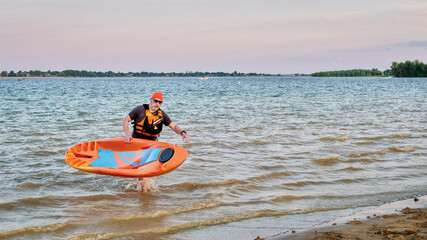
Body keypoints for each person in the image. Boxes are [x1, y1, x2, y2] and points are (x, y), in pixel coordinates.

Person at [122, 92, 189, 192]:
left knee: (144, 174)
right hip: (137, 146)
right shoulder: (140, 110)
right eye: (155, 101)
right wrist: (127, 134)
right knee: (143, 174)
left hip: (151, 147)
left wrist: (182, 132)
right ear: (150, 100)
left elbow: (173, 126)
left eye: (160, 102)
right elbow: (125, 120)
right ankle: (144, 195)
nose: (157, 104)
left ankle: (143, 194)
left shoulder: (161, 115)